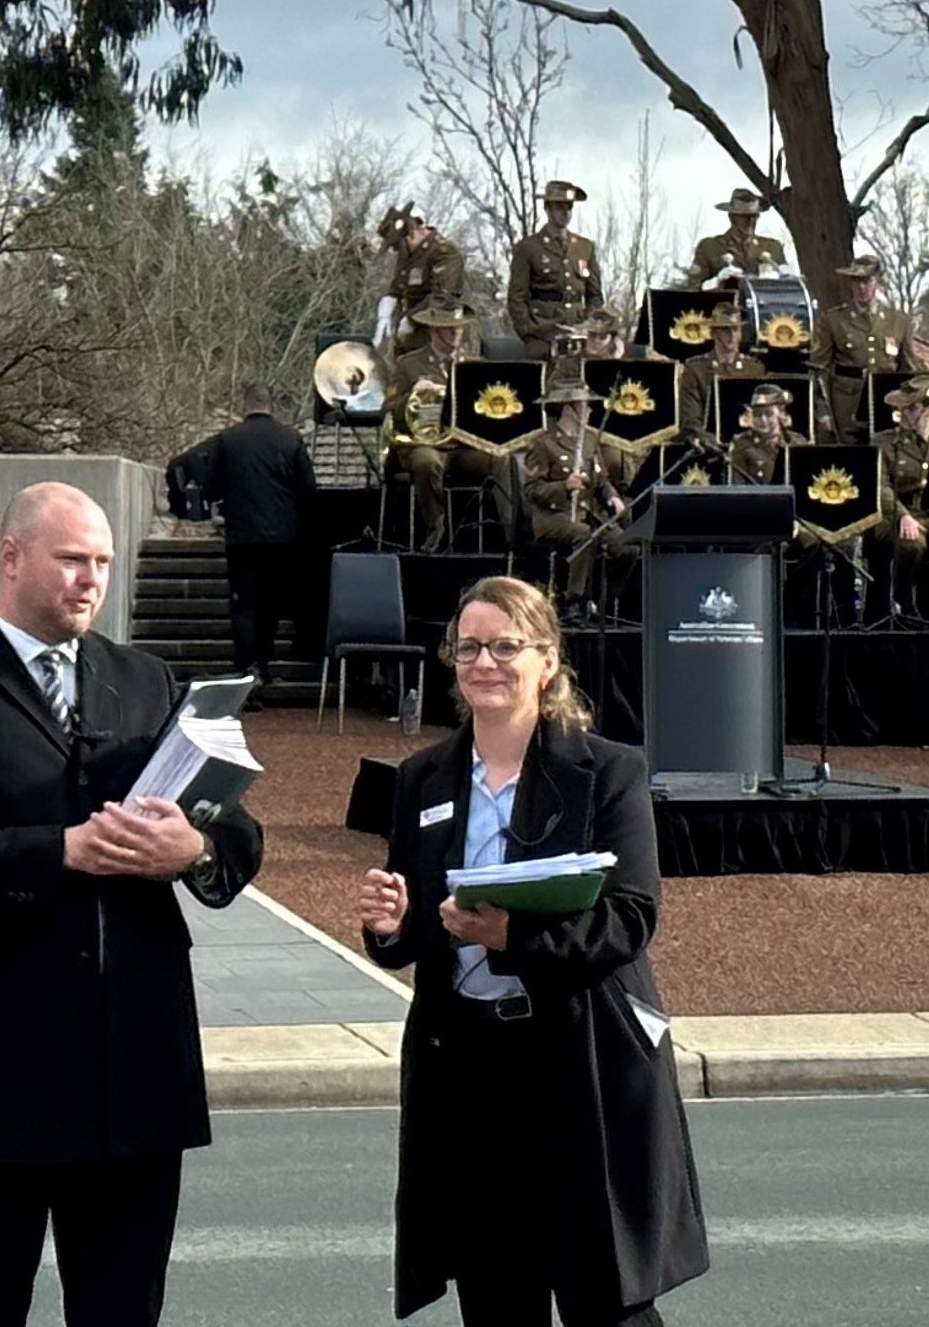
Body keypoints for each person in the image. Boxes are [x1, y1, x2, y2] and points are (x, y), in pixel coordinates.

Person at [0, 483, 265, 1327]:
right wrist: (60, 850)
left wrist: (191, 851)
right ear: (11, 557)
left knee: (124, 1308)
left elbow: (238, 836)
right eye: (72, 560)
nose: (91, 581)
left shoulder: (148, 680)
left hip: (135, 1063)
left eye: (104, 564)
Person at [356, 576, 708, 1326]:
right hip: (470, 1073)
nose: (486, 662)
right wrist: (391, 926)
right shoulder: (423, 779)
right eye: (470, 647)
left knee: (602, 1298)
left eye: (506, 646)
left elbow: (632, 917)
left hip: (580, 1062)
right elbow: (422, 925)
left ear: (546, 660)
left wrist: (514, 938)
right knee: (495, 1296)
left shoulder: (608, 772)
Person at [206, 383, 318, 686]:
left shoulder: (227, 440)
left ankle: (247, 670)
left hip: (243, 537)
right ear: (271, 405)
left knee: (245, 605)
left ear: (245, 404)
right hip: (281, 539)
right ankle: (264, 668)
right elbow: (308, 489)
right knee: (270, 606)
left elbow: (212, 486)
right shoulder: (290, 439)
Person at [387, 299, 499, 550]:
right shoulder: (408, 364)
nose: (457, 333)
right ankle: (436, 528)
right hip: (425, 443)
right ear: (434, 330)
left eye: (460, 328)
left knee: (501, 459)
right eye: (450, 329)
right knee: (426, 462)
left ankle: (507, 529)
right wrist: (413, 393)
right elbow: (389, 408)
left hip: (462, 445)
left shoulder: (474, 364)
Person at [519, 380, 631, 621]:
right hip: (552, 516)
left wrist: (612, 497)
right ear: (569, 409)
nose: (590, 411)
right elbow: (532, 490)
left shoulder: (590, 440)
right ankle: (574, 599)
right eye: (584, 406)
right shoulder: (543, 443)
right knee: (584, 535)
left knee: (626, 547)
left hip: (585, 511)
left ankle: (605, 596)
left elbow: (601, 479)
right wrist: (563, 486)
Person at [871, 380, 929, 623]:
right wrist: (902, 515)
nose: (904, 415)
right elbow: (881, 487)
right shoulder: (885, 442)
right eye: (903, 410)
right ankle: (904, 601)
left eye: (912, 409)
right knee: (912, 543)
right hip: (896, 515)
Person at [808, 255, 911, 442]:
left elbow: (909, 368)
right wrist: (822, 411)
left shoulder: (897, 321)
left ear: (877, 282)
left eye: (867, 281)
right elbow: (817, 369)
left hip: (886, 402)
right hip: (847, 406)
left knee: (884, 454)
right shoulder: (833, 320)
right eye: (856, 282)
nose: (861, 287)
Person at [507, 179, 605, 359]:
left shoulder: (584, 248)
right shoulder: (529, 248)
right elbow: (516, 297)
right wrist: (528, 330)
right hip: (543, 333)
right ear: (548, 209)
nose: (565, 212)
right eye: (560, 207)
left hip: (578, 331)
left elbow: (595, 296)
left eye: (569, 207)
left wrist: (589, 325)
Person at [675, 304, 763, 447]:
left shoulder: (755, 368)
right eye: (725, 330)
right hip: (711, 446)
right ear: (713, 333)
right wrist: (706, 439)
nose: (731, 336)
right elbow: (690, 419)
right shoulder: (696, 369)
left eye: (735, 330)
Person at [381, 208, 469, 347]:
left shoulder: (444, 252)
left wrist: (411, 320)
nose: (397, 250)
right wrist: (386, 309)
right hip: (409, 335)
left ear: (411, 235)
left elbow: (443, 296)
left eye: (397, 246)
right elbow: (399, 286)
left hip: (438, 332)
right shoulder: (407, 253)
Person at [680, 188, 787, 287]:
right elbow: (693, 286)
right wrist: (715, 282)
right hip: (724, 305)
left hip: (763, 305)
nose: (750, 221)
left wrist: (779, 276)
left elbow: (788, 287)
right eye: (744, 216)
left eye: (754, 216)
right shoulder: (710, 248)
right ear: (732, 217)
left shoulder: (772, 248)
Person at [726, 382, 807, 485]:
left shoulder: (797, 442)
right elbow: (737, 489)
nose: (763, 420)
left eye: (769, 414)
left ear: (781, 414)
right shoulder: (741, 445)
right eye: (757, 414)